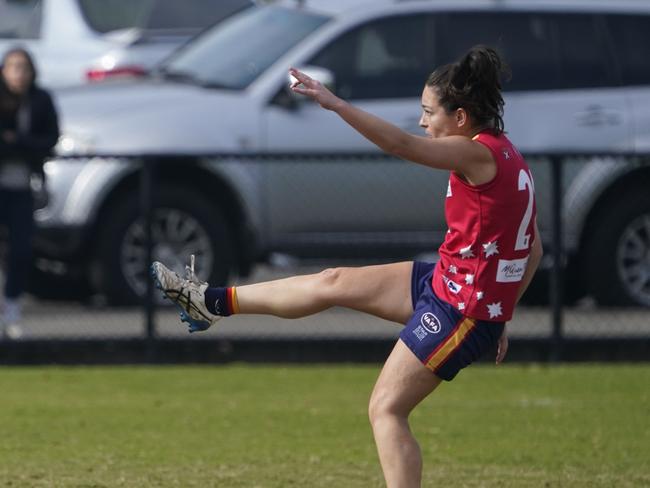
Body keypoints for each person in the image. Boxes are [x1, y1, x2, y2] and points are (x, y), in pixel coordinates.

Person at [152, 45, 543, 487]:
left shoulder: (478, 155)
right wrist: (499, 314)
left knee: (386, 408)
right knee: (332, 281)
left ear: (460, 117)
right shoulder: (504, 154)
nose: (421, 121)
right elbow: (533, 250)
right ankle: (210, 303)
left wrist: (334, 104)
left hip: (462, 308)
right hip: (450, 287)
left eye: (427, 112)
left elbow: (400, 144)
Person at [0, 47, 60, 339]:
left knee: (22, 250)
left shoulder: (41, 100)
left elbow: (50, 139)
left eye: (24, 67)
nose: (19, 74)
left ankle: (12, 307)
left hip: (24, 186)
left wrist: (19, 142)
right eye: (13, 67)